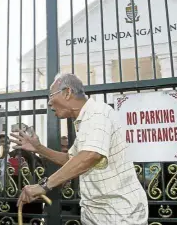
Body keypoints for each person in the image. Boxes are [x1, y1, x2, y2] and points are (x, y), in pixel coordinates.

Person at [10, 73, 148, 225]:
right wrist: (39, 148)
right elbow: (72, 160)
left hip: (118, 214)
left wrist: (43, 186)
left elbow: (90, 156)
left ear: (67, 92)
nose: (49, 103)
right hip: (97, 214)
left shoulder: (97, 113)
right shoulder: (85, 121)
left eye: (51, 96)